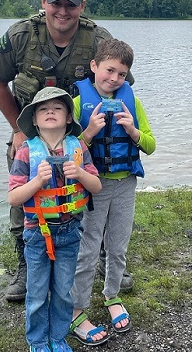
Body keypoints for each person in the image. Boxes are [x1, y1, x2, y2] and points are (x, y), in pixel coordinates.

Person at [0, 0, 134, 301]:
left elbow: (122, 80)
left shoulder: (98, 39)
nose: (62, 11)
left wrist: (111, 132)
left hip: (82, 135)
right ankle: (26, 265)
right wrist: (19, 130)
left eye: (70, 4)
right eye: (56, 3)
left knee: (98, 189)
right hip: (33, 133)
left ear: (82, 6)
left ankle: (106, 259)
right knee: (24, 190)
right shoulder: (21, 35)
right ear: (44, 2)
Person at [68, 39, 156, 345]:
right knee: (88, 248)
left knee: (118, 246)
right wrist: (89, 131)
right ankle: (77, 308)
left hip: (125, 185)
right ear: (94, 67)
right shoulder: (78, 105)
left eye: (121, 74)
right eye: (109, 70)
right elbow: (69, 152)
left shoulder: (132, 103)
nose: (114, 78)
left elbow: (150, 145)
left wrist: (132, 130)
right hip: (93, 186)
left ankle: (112, 295)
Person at [8, 87, 102, 352]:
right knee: (37, 294)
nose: (50, 111)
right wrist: (37, 181)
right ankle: (37, 342)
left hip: (70, 232)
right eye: (43, 109)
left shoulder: (79, 147)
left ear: (69, 118)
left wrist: (81, 173)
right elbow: (14, 198)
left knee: (62, 292)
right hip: (37, 233)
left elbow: (96, 187)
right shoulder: (26, 152)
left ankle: (58, 338)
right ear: (35, 120)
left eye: (58, 108)